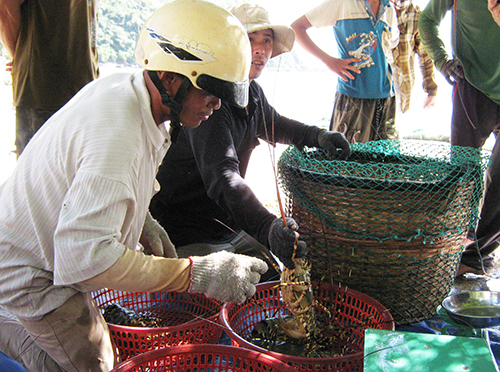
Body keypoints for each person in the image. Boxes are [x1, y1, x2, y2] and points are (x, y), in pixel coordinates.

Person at [0, 1, 270, 371]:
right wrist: (194, 273)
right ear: (171, 79)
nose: (216, 104)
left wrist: (140, 217)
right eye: (210, 93)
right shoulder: (118, 133)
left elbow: (96, 180)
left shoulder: (134, 96)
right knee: (96, 363)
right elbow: (84, 259)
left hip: (51, 248)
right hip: (31, 271)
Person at [148, 3, 351, 281]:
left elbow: (274, 123)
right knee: (247, 292)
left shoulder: (251, 91)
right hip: (187, 231)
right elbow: (223, 178)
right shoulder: (208, 97)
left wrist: (317, 135)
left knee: (279, 278)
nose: (260, 49)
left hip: (228, 227)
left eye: (267, 41)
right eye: (250, 39)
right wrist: (268, 227)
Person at [419, 0, 500, 275]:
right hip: (473, 88)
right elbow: (427, 20)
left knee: (499, 183)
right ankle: (447, 248)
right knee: (462, 176)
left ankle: (479, 257)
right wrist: (442, 61)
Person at [290, 0, 399, 143]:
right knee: (345, 157)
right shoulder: (342, 3)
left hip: (386, 97)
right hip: (352, 96)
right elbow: (296, 28)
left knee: (384, 159)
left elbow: (392, 43)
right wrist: (329, 61)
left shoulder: (389, 8)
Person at [0, 0, 99, 158]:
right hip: (44, 92)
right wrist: (20, 56)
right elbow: (5, 8)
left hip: (85, 88)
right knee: (37, 175)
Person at [391, 0, 438, 114]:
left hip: (401, 87)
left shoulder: (416, 14)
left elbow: (425, 56)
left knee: (392, 128)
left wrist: (431, 90)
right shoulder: (371, 7)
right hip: (371, 86)